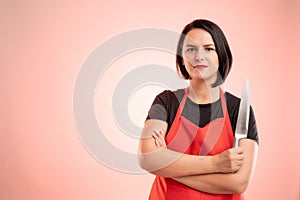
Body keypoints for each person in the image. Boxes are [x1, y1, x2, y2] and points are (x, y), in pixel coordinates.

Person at [138, 19, 259, 200]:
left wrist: (168, 166)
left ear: (221, 55)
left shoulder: (239, 110)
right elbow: (148, 159)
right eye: (191, 49)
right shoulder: (165, 102)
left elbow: (239, 183)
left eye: (209, 49)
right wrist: (216, 163)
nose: (199, 56)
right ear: (182, 58)